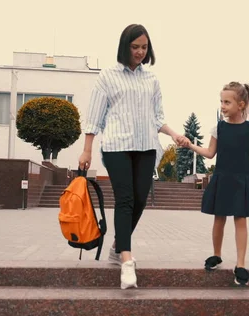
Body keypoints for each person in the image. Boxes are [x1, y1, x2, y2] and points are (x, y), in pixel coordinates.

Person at [78, 24, 188, 290]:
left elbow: (157, 117)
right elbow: (94, 116)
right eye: (135, 47)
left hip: (146, 145)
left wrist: (173, 134)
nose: (140, 52)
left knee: (140, 199)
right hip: (117, 146)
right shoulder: (107, 76)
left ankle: (118, 246)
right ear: (125, 46)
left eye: (144, 47)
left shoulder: (151, 79)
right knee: (125, 198)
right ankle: (126, 260)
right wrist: (87, 148)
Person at [183, 81, 249, 286]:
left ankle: (240, 265)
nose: (222, 106)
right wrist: (190, 145)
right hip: (222, 178)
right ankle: (216, 255)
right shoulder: (218, 127)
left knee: (240, 220)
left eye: (227, 102)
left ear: (240, 105)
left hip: (241, 180)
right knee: (219, 218)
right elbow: (210, 153)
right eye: (221, 101)